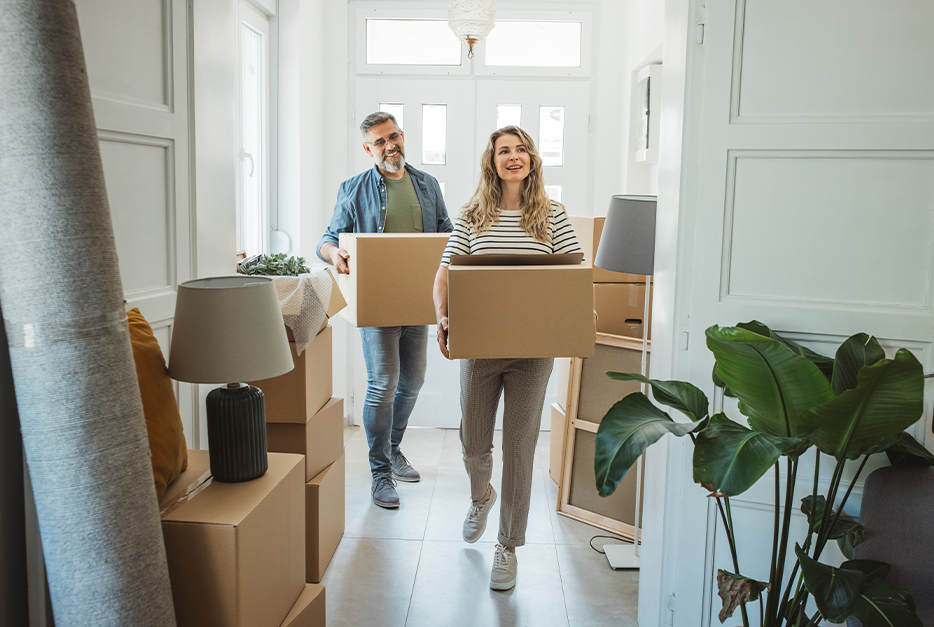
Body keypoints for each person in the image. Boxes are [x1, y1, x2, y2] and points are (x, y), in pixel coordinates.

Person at [431, 126, 586, 591]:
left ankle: (508, 544)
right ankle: (481, 496)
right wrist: (441, 318)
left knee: (519, 448)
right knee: (474, 441)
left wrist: (581, 313)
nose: (514, 157)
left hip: (533, 353)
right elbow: (445, 274)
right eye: (504, 151)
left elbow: (573, 276)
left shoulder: (552, 216)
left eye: (521, 150)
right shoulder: (472, 215)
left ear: (533, 160)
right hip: (480, 349)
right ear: (492, 161)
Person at [318, 111, 452, 509]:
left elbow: (447, 233)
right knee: (383, 384)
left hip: (417, 300)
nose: (390, 145)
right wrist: (334, 252)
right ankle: (380, 473)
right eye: (380, 141)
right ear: (367, 148)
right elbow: (327, 239)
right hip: (376, 303)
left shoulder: (427, 185)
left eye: (393, 136)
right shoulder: (353, 188)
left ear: (402, 136)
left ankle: (393, 448)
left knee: (413, 380)